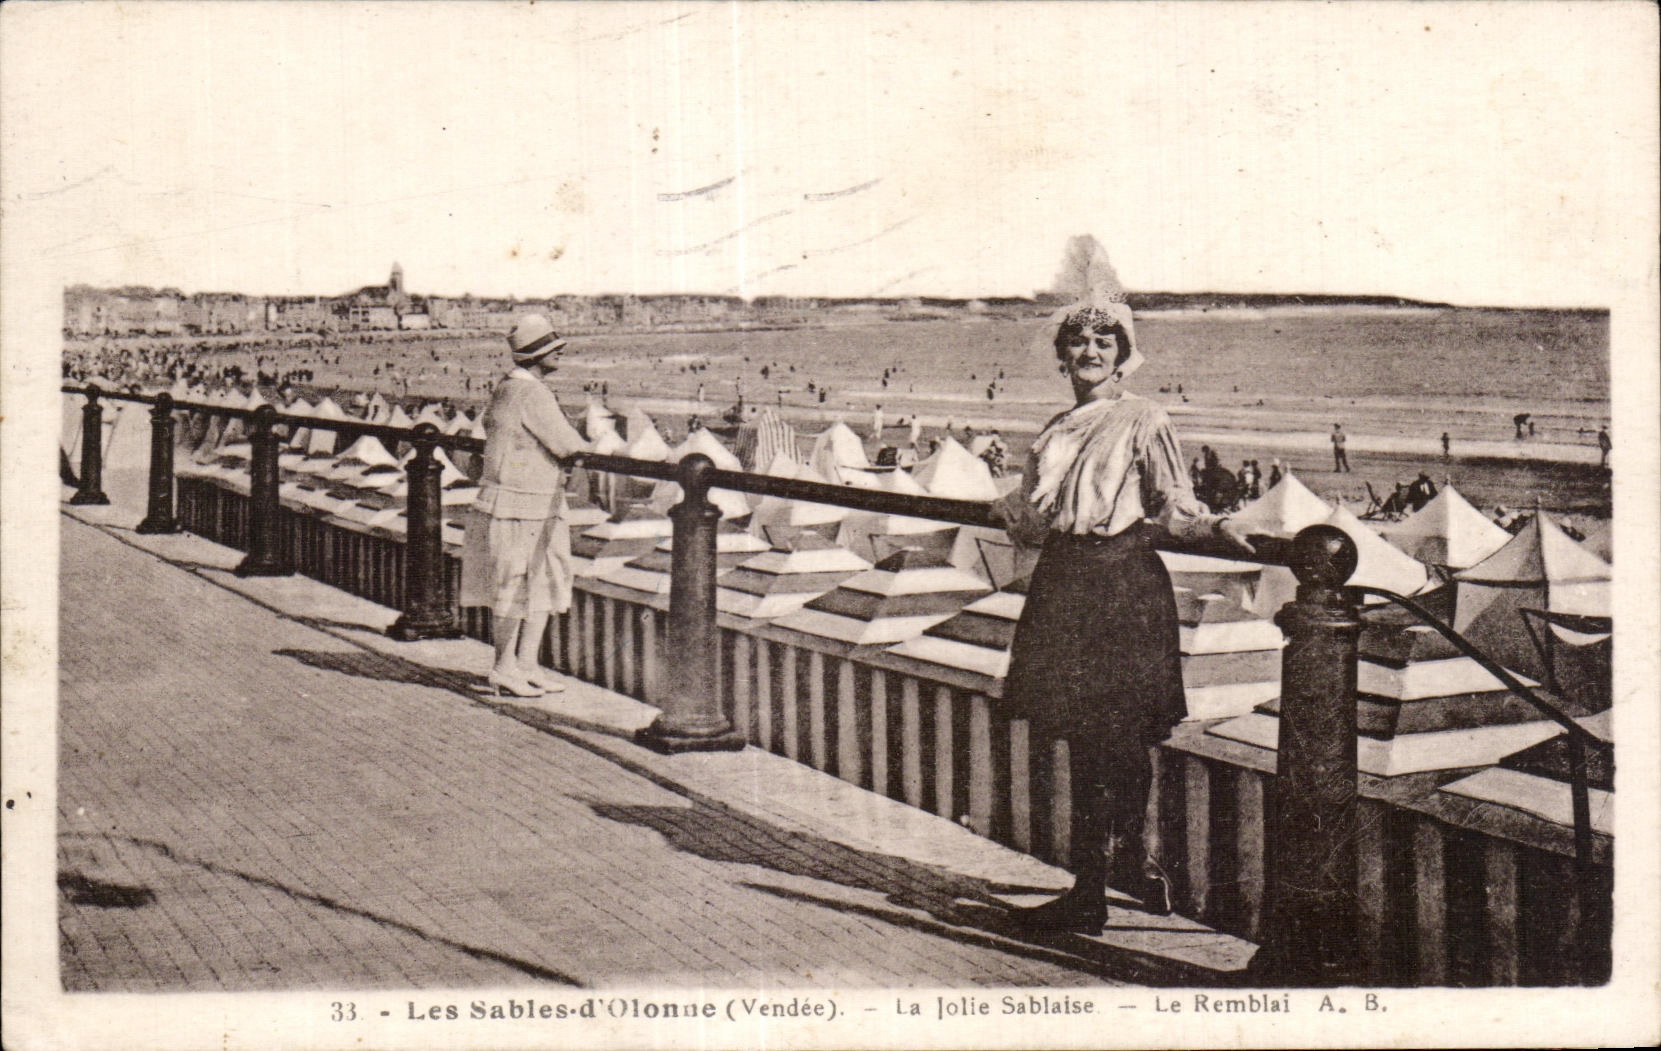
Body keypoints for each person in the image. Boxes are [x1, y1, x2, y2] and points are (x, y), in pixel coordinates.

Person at [995, 298, 1253, 932]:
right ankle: (1095, 883)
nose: (1089, 353)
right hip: (1065, 583)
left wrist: (1219, 527)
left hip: (1123, 585)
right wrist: (1000, 506)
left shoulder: (1144, 419)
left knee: (1124, 736)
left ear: (1122, 355)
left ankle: (1122, 866)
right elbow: (1033, 518)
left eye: (1103, 344)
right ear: (1062, 356)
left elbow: (1173, 505)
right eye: (1078, 343)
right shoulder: (1055, 430)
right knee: (1083, 741)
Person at [459, 316, 588, 698]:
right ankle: (504, 666)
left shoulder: (505, 388)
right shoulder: (535, 394)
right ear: (539, 355)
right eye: (554, 348)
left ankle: (525, 665)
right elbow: (568, 444)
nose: (561, 352)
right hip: (524, 504)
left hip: (513, 501)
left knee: (530, 581)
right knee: (523, 582)